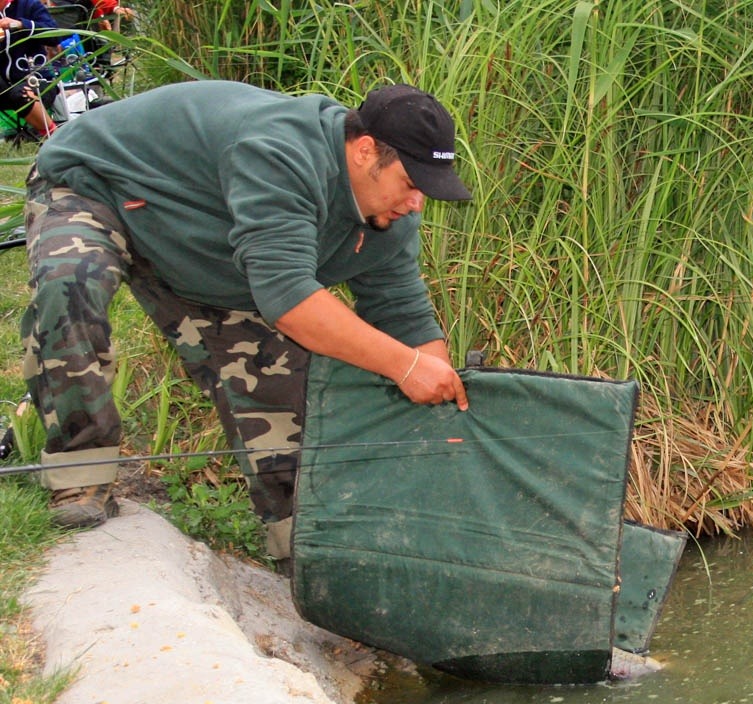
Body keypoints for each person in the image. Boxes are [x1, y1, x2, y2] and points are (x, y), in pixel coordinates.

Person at [21, 80, 472, 565]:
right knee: (71, 281)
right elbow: (288, 296)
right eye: (410, 183)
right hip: (99, 188)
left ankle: (304, 552)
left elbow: (403, 312)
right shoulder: (281, 152)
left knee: (279, 392)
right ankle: (78, 474)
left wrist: (444, 406)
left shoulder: (393, 217)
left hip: (209, 251)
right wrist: (404, 369)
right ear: (365, 151)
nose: (417, 203)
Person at [0, 0, 59, 136]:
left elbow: (55, 35)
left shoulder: (29, 5)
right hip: (4, 88)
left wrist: (19, 24)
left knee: (20, 93)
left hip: (37, 82)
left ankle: (52, 134)